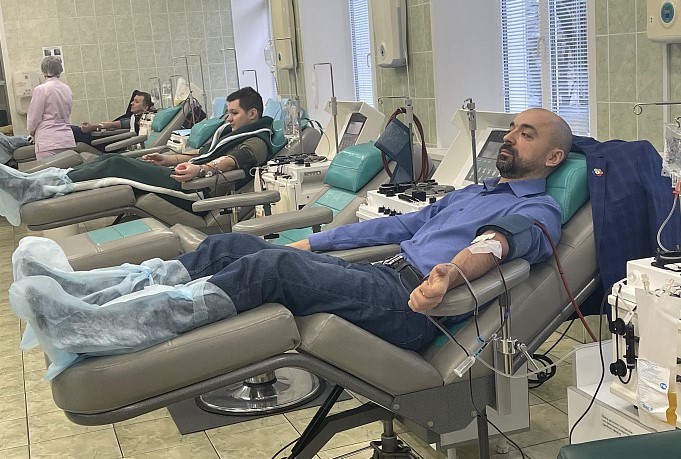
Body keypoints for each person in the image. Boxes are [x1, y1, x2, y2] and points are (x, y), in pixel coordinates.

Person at [9, 108, 570, 373]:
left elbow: (502, 243)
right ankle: (97, 292)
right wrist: (312, 245)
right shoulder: (473, 193)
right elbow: (396, 227)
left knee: (269, 272)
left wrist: (452, 272)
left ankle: (104, 327)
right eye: (511, 129)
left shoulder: (538, 209)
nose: (509, 138)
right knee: (233, 248)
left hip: (415, 307)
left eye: (525, 134)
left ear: (552, 157)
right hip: (383, 274)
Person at [0, 86, 276, 225]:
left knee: (116, 165)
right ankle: (38, 180)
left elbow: (231, 162)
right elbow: (202, 154)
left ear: (253, 113)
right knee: (112, 161)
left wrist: (200, 170)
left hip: (196, 191)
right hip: (186, 175)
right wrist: (168, 159)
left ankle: (38, 188)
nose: (228, 118)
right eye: (228, 112)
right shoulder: (231, 132)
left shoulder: (257, 140)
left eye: (234, 113)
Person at [26, 56, 76, 161]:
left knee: (49, 171)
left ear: (43, 70)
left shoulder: (41, 89)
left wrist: (31, 131)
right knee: (67, 170)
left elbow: (34, 117)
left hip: (48, 142)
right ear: (60, 70)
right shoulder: (66, 89)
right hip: (67, 140)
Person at [71, 91, 154, 150]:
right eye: (133, 100)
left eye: (136, 102)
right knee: (72, 130)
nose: (132, 103)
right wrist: (92, 127)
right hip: (112, 140)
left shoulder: (150, 120)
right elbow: (113, 124)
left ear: (145, 107)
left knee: (72, 130)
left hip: (115, 145)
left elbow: (114, 125)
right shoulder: (133, 118)